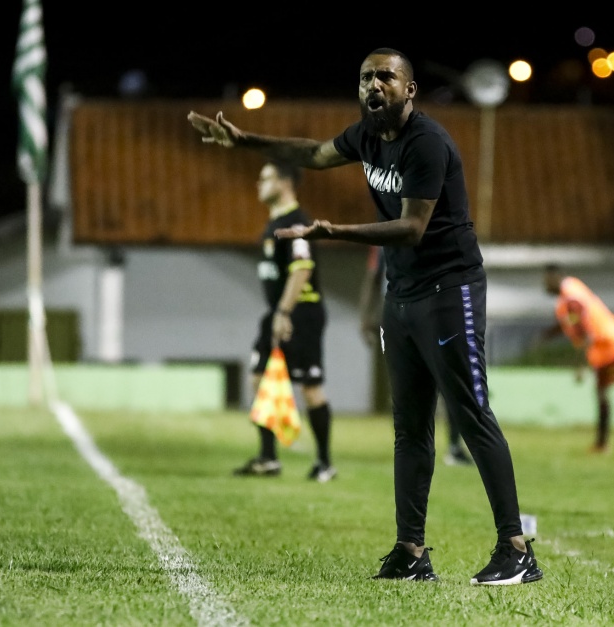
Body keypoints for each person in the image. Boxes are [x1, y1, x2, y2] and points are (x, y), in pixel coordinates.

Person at [188, 47, 542, 586]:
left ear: (409, 89)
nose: (374, 85)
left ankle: (516, 549)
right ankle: (411, 552)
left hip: (450, 289)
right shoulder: (365, 135)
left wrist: (334, 232)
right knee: (409, 427)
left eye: (386, 77)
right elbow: (313, 152)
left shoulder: (427, 143)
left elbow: (412, 228)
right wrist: (244, 141)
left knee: (471, 412)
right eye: (365, 78)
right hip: (401, 294)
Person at [232, 160, 337, 483]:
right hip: (277, 312)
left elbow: (303, 268)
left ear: (285, 182)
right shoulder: (274, 223)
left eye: (266, 178)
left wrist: (284, 312)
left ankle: (324, 463)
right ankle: (268, 458)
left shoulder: (296, 223)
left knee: (310, 388)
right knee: (258, 377)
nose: (258, 183)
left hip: (300, 313)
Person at [360, 245, 473, 466]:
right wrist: (366, 316)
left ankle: (440, 445)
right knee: (423, 381)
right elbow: (373, 276)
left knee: (438, 380)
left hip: (420, 312)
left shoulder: (400, 233)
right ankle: (417, 444)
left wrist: (366, 316)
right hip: (406, 312)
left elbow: (372, 277)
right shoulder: (384, 241)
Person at [540, 264, 614, 454]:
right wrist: (548, 335)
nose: (544, 285)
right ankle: (601, 443)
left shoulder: (571, 298)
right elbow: (569, 323)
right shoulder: (569, 293)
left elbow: (585, 333)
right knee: (602, 394)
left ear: (556, 277)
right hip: (606, 346)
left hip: (613, 345)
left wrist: (580, 366)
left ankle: (604, 443)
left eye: (547, 280)